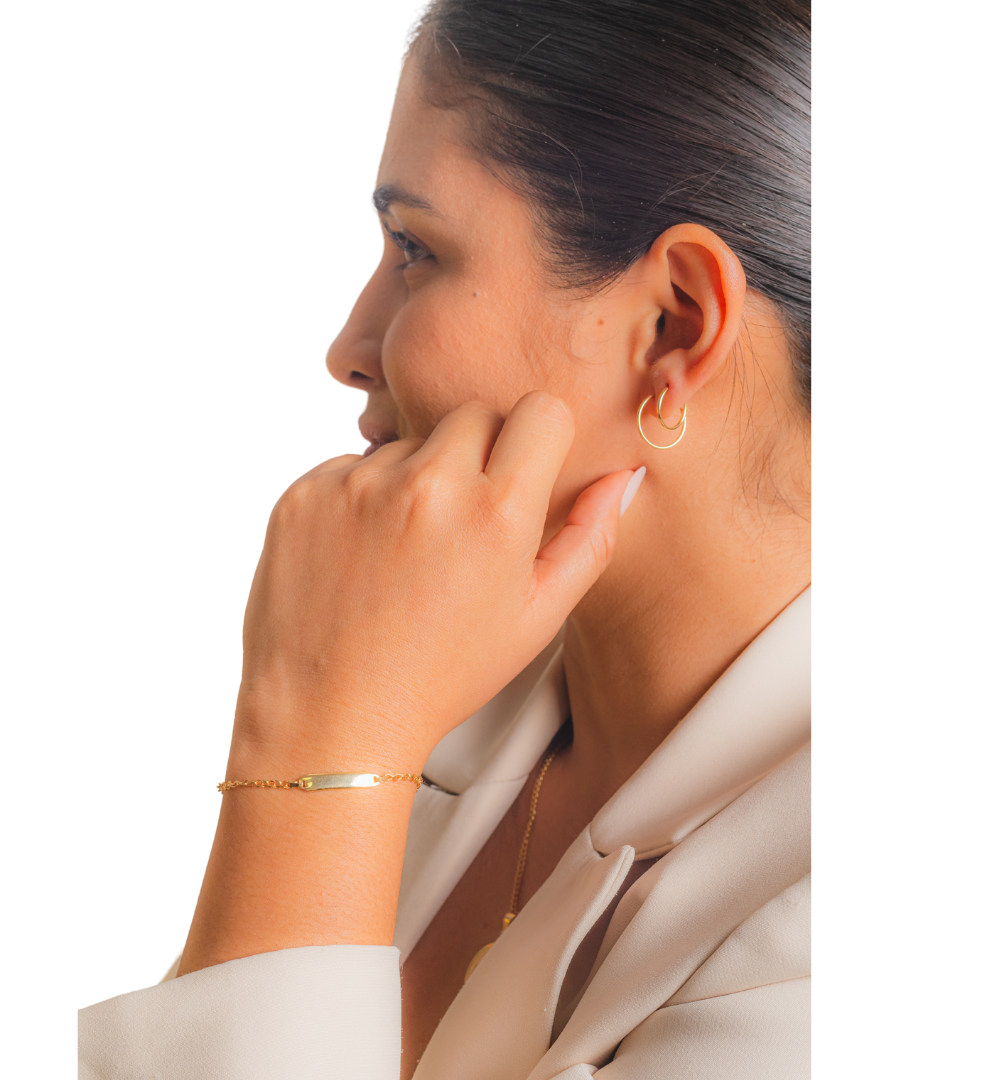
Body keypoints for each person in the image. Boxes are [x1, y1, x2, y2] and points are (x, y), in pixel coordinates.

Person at [77, 1, 811, 1076]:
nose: (347, 347)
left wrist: (316, 751)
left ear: (675, 323)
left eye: (416, 249)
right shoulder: (426, 655)